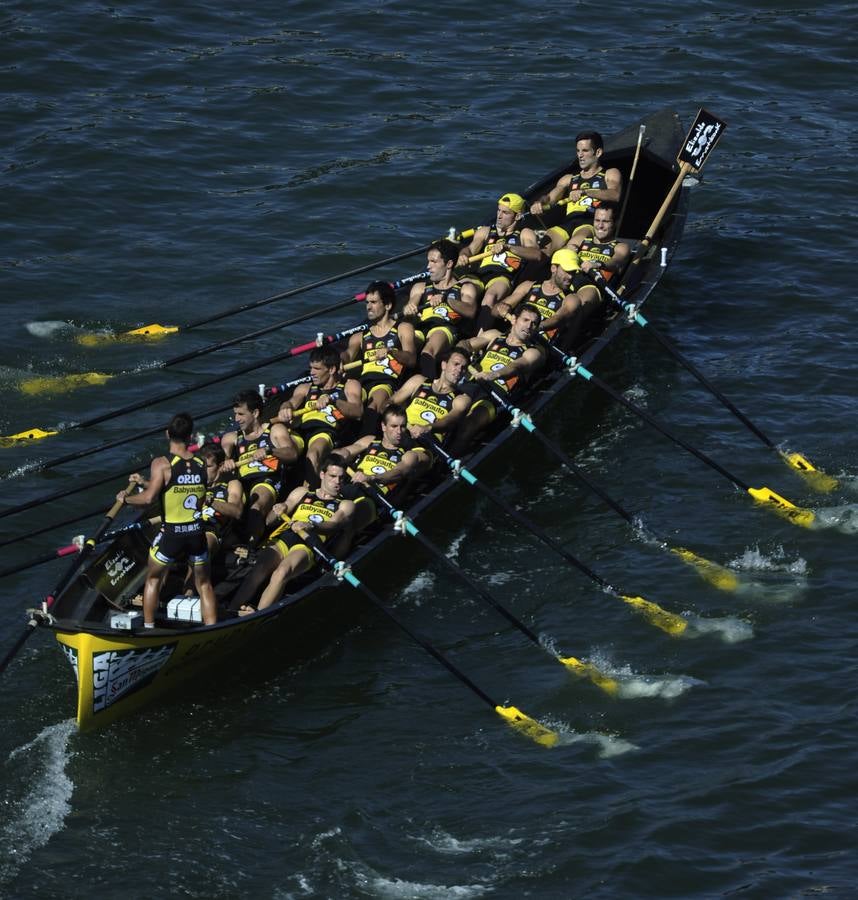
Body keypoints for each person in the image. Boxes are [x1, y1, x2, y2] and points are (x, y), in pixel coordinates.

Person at [116, 412, 217, 627]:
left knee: (152, 580)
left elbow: (149, 498)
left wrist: (126, 499)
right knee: (205, 584)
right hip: (196, 532)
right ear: (191, 436)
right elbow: (187, 493)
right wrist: (145, 481)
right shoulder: (201, 464)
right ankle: (212, 627)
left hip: (172, 534)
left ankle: (149, 629)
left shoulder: (162, 464)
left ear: (167, 434)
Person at [233, 455, 356, 615]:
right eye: (333, 476)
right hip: (286, 537)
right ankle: (233, 609)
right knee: (259, 569)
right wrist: (279, 509)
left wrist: (311, 525)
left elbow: (332, 525)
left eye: (341, 478)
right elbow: (271, 519)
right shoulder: (302, 492)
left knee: (281, 572)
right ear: (322, 475)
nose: (337, 482)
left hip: (309, 544)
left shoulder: (346, 504)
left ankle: (258, 616)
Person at [449, 304, 546, 454]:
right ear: (514, 320)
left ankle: (446, 468)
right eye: (525, 320)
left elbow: (516, 365)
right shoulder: (494, 335)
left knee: (468, 426)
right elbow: (466, 344)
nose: (528, 326)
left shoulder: (533, 352)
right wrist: (461, 353)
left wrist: (495, 374)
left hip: (495, 398)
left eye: (533, 324)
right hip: (471, 385)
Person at [220, 389, 299, 548]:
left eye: (241, 414)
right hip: (241, 485)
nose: (236, 419)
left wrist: (270, 451)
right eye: (235, 414)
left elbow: (292, 453)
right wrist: (227, 460)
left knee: (256, 508)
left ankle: (250, 548)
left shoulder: (274, 430)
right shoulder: (232, 438)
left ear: (255, 413)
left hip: (267, 480)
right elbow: (222, 458)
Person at [338, 404, 433, 533]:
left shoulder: (411, 453)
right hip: (348, 487)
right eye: (394, 426)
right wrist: (339, 454)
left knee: (345, 526)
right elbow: (345, 452)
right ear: (383, 426)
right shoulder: (369, 441)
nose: (399, 431)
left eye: (403, 426)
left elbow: (398, 472)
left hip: (374, 498)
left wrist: (371, 477)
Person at [456, 193, 542, 332]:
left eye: (505, 212)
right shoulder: (485, 231)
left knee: (490, 297)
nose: (499, 216)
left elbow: (536, 254)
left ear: (518, 216)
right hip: (478, 274)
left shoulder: (524, 233)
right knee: (458, 288)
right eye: (498, 210)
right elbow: (470, 249)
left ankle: (478, 341)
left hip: (502, 277)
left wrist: (508, 247)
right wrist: (463, 255)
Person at [278, 346, 363, 484]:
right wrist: (285, 409)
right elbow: (290, 403)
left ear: (331, 369)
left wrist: (334, 401)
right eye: (311, 368)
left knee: (312, 454)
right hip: (301, 432)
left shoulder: (350, 385)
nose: (311, 373)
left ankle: (309, 493)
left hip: (325, 432)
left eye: (317, 369)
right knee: (280, 449)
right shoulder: (305, 388)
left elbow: (357, 411)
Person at [530, 131, 622, 255]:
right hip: (567, 222)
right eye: (578, 151)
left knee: (570, 249)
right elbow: (550, 198)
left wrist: (585, 192)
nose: (580, 155)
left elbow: (614, 194)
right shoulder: (568, 178)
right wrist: (539, 203)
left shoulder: (610, 173)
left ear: (598, 152)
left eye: (585, 151)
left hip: (590, 223)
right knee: (543, 250)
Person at [342, 280, 416, 432]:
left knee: (374, 404)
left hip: (386, 381)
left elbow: (411, 359)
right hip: (362, 383)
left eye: (374, 302)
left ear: (388, 305)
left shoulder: (403, 328)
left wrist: (391, 352)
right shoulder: (359, 336)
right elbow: (347, 356)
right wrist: (336, 360)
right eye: (367, 302)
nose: (368, 307)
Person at [554, 202, 631, 347]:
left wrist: (598, 264)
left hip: (594, 286)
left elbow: (616, 262)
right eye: (597, 221)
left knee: (578, 306)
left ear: (615, 223)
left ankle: (564, 347)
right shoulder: (581, 241)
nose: (600, 226)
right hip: (569, 281)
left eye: (606, 221)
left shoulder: (620, 247)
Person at [403, 240, 478, 378]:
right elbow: (409, 307)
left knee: (428, 351)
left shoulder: (465, 287)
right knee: (401, 342)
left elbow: (470, 311)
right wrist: (408, 310)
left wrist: (446, 300)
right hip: (421, 329)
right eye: (428, 261)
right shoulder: (420, 287)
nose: (428, 266)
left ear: (449, 264)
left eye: (433, 262)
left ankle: (431, 390)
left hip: (445, 329)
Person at [390, 346, 473, 445]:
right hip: (400, 432)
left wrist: (427, 428)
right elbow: (390, 403)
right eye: (456, 364)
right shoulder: (419, 381)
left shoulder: (462, 399)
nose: (459, 370)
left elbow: (448, 421)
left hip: (426, 441)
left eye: (463, 368)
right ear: (444, 365)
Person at [494, 248, 580, 339]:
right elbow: (495, 311)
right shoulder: (528, 286)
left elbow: (558, 318)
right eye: (567, 271)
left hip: (538, 345)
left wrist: (534, 327)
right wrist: (501, 309)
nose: (570, 276)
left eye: (573, 272)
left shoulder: (572, 299)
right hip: (512, 338)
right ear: (553, 268)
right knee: (490, 334)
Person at [197, 442, 245, 562]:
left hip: (212, 530)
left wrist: (210, 502)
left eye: (208, 467)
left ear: (220, 465)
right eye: (200, 466)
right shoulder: (193, 483)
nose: (202, 471)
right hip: (189, 527)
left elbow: (237, 512)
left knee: (200, 551)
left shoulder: (232, 484)